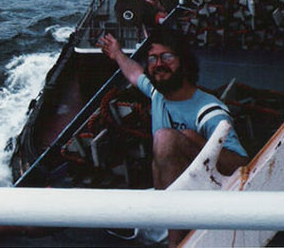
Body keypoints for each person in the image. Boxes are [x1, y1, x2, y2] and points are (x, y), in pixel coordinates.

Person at [98, 27, 248, 246]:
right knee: (97, 211)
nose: (158, 64)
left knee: (165, 139)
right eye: (153, 59)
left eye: (167, 56)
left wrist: (192, 139)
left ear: (184, 64)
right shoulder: (158, 95)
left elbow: (242, 166)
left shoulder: (209, 112)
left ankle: (176, 243)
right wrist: (117, 53)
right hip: (166, 201)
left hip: (203, 205)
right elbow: (134, 74)